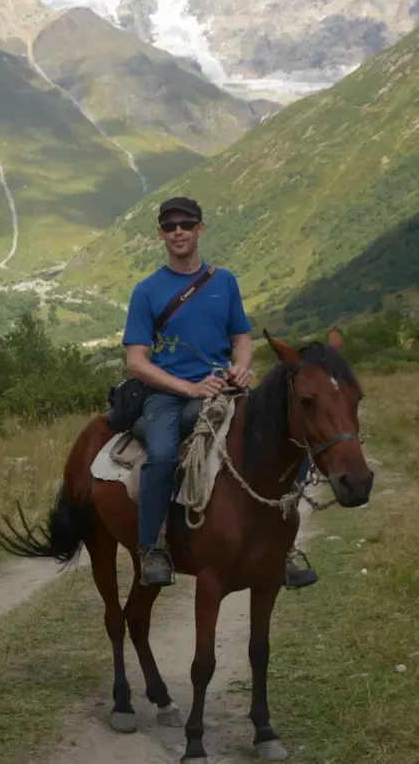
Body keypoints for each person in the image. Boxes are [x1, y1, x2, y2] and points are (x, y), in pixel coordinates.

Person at [121, 197, 317, 589]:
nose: (178, 231)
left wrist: (241, 368)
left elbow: (240, 338)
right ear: (161, 234)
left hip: (223, 387)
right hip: (168, 395)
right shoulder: (146, 291)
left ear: (200, 230)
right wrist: (189, 387)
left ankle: (285, 543)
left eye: (186, 224)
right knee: (160, 456)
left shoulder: (224, 281)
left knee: (291, 442)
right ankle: (153, 548)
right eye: (170, 225)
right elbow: (136, 362)